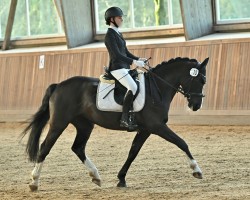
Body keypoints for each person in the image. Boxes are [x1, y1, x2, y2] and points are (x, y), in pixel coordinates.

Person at [104, 6, 146, 130]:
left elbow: (125, 51)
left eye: (121, 17)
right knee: (132, 87)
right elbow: (117, 55)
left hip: (124, 67)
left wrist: (138, 59)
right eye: (119, 17)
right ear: (111, 19)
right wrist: (134, 62)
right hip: (116, 68)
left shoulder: (118, 33)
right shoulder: (109, 35)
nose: (121, 19)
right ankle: (124, 118)